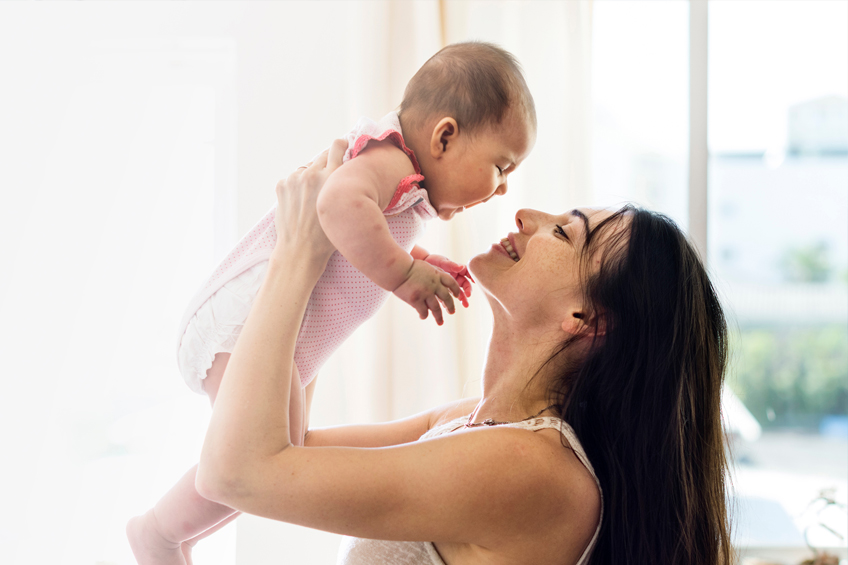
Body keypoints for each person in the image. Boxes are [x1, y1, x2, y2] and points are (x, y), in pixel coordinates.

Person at [194, 142, 734, 565]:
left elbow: (239, 473)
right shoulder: (469, 423)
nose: (526, 214)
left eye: (565, 234)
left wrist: (297, 253)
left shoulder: (532, 469)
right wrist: (329, 271)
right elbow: (286, 445)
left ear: (584, 320)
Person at [127, 41, 536, 564]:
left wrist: (417, 260)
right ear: (445, 136)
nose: (502, 190)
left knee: (276, 460)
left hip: (285, 330)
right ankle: (159, 534)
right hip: (246, 314)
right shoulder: (389, 157)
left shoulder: (403, 183)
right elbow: (337, 203)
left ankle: (170, 532)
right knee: (257, 463)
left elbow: (360, 240)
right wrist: (404, 273)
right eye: (501, 167)